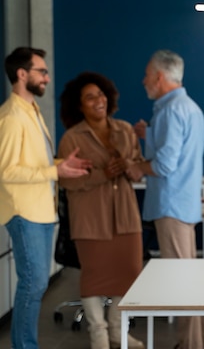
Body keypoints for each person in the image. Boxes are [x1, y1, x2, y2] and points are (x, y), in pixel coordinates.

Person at [0, 47, 91, 349]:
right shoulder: (12, 117)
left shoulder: (32, 111)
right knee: (34, 283)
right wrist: (55, 172)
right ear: (22, 74)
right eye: (41, 71)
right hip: (24, 212)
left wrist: (60, 165)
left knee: (34, 284)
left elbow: (30, 163)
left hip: (40, 211)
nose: (47, 78)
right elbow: (8, 171)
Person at [57, 72, 146, 349]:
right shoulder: (72, 138)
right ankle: (98, 333)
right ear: (79, 106)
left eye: (101, 94)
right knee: (94, 277)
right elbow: (66, 180)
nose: (99, 100)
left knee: (129, 272)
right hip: (90, 218)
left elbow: (139, 170)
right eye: (90, 97)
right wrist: (103, 174)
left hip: (125, 217)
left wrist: (127, 166)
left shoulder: (124, 130)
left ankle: (118, 332)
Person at [126, 50, 204, 349]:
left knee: (180, 281)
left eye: (147, 74)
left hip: (171, 206)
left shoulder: (170, 111)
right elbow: (178, 149)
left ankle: (190, 345)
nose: (144, 80)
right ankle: (195, 341)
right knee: (187, 277)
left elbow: (164, 165)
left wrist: (137, 167)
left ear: (160, 77)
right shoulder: (187, 107)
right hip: (182, 205)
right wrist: (149, 134)